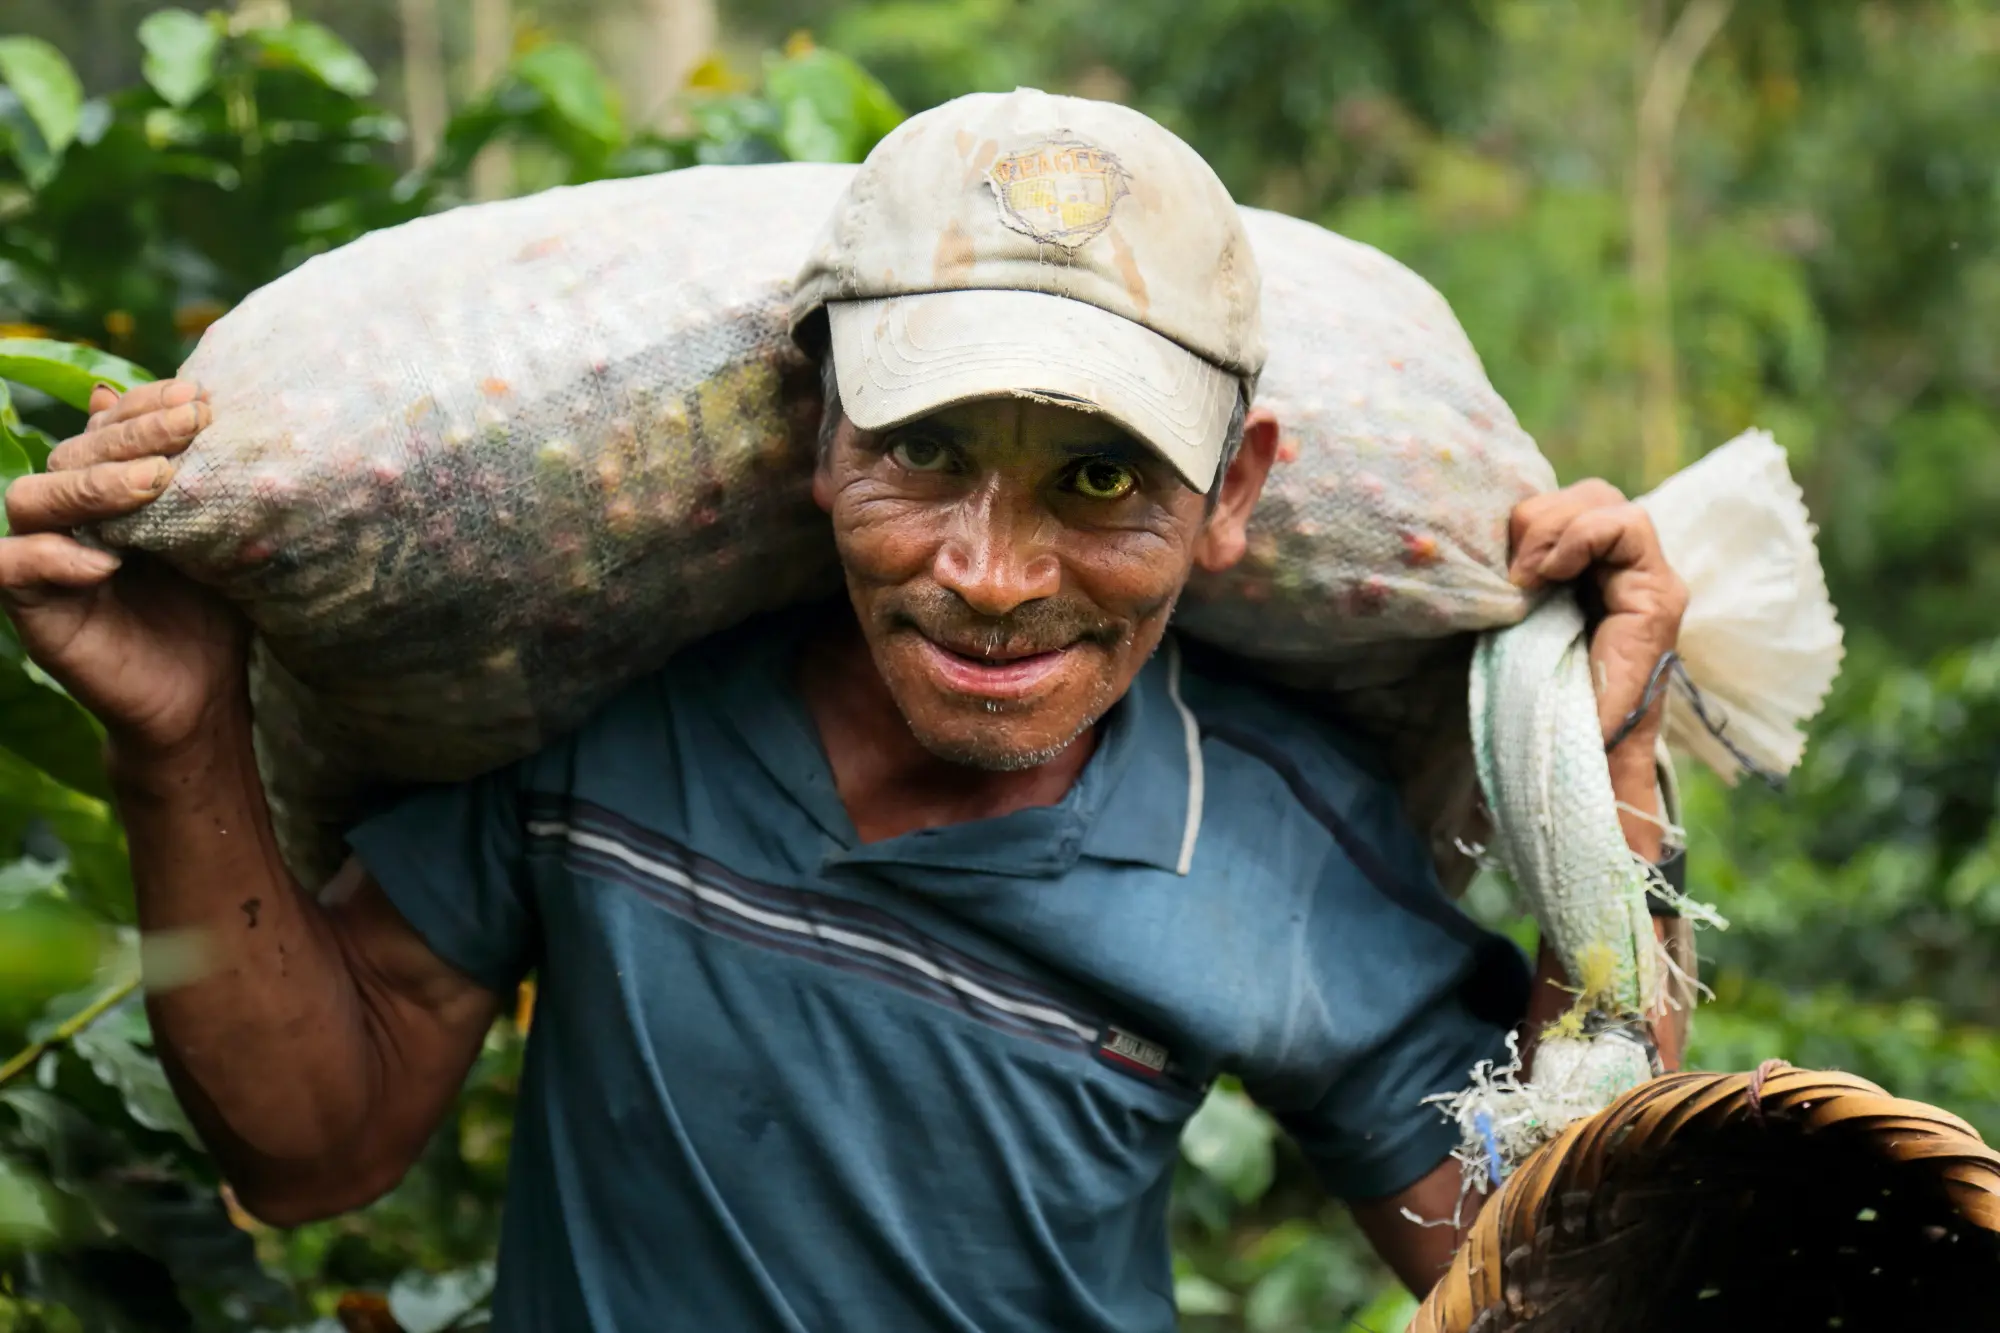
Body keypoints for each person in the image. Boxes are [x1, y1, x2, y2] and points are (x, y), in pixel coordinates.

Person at [0, 91, 1689, 1331]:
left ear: (1236, 492)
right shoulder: (613, 714)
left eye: (1099, 481)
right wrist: (180, 735)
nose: (994, 576)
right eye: (925, 455)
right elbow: (315, 1151)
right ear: (818, 430)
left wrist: (1603, 762)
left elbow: (1551, 1281)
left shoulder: (1267, 828)